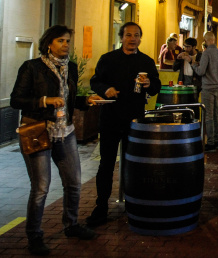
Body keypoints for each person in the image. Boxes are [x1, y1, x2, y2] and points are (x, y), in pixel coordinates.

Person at [10, 25, 98, 255]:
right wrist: (44, 100)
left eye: (68, 41)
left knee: (74, 182)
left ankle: (71, 224)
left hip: (65, 132)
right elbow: (16, 100)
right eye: (60, 40)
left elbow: (68, 100)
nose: (66, 45)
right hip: (39, 131)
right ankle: (35, 236)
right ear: (49, 43)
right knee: (41, 187)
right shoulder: (32, 67)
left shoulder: (71, 67)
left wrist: (85, 101)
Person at [87, 22, 161, 227]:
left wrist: (149, 84)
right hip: (110, 119)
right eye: (128, 35)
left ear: (140, 38)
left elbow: (156, 87)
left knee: (133, 165)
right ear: (121, 37)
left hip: (135, 121)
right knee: (106, 165)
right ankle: (101, 207)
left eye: (136, 35)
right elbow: (95, 81)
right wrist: (106, 88)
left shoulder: (146, 61)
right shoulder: (108, 59)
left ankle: (133, 204)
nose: (132, 39)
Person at [192, 31, 218, 152]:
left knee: (208, 115)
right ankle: (217, 140)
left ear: (206, 40)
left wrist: (194, 65)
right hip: (217, 87)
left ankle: (210, 142)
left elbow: (200, 72)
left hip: (208, 87)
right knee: (215, 114)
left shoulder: (206, 53)